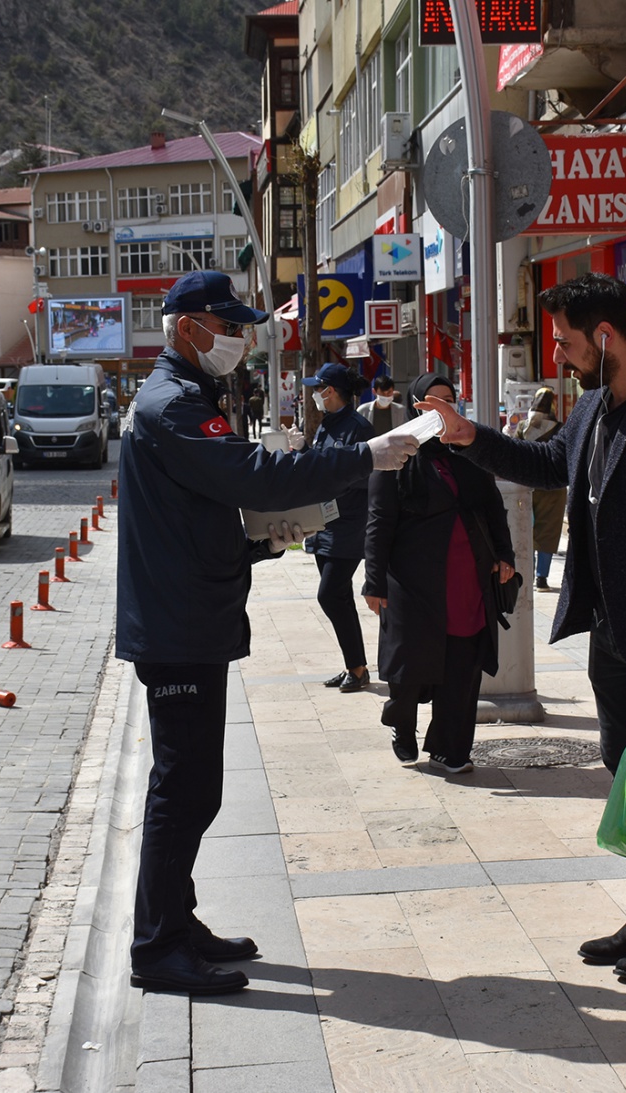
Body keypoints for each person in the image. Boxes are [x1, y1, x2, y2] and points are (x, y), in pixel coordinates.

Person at [425, 272, 626, 983]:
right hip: (610, 623)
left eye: (567, 342)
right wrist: (471, 436)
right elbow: (546, 463)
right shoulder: (595, 404)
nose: (562, 357)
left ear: (604, 334)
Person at [118, 270, 420, 997]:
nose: (241, 339)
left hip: (191, 611)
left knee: (196, 788)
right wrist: (364, 457)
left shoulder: (185, 397)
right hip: (178, 622)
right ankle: (157, 946)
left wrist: (258, 541)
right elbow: (250, 474)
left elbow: (203, 509)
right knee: (181, 789)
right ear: (188, 327)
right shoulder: (173, 406)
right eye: (229, 327)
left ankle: (176, 920)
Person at [365, 374, 514, 771]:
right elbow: (379, 522)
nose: (442, 410)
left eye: (449, 401)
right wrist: (374, 581)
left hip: (467, 578)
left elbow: (491, 506)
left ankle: (451, 748)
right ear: (417, 406)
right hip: (413, 581)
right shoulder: (395, 454)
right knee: (409, 665)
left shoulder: (470, 448)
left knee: (462, 665)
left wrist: (504, 554)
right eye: (432, 402)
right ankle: (402, 723)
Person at [301, 362, 377, 693]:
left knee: (330, 594)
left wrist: (328, 481)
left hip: (348, 524)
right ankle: (355, 668)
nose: (315, 395)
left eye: (318, 389)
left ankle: (358, 667)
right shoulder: (327, 425)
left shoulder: (358, 427)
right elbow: (321, 466)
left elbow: (363, 475)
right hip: (323, 523)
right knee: (340, 597)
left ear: (330, 391)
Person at [503, 386, 566, 589]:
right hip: (553, 489)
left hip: (526, 486)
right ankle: (542, 577)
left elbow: (513, 453)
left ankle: (527, 572)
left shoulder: (522, 426)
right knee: (547, 532)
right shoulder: (559, 428)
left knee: (526, 530)